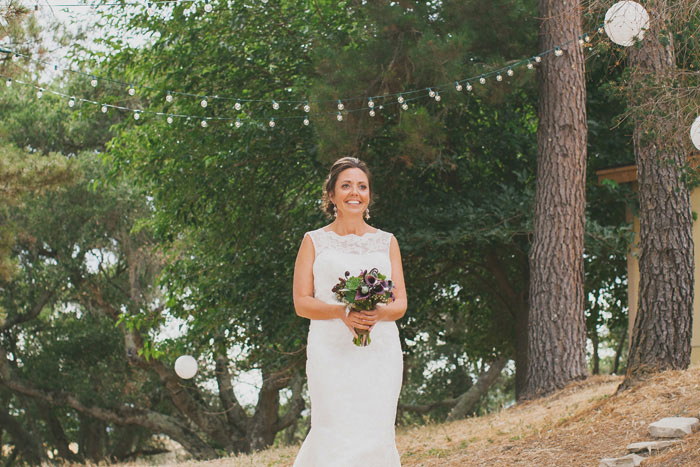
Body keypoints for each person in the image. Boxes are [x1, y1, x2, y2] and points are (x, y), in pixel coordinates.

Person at [292, 157, 407, 466]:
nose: (354, 192)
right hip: (330, 351)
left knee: (376, 431)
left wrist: (379, 313)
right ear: (331, 195)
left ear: (368, 194)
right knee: (333, 429)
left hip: (379, 351)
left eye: (362, 186)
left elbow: (400, 303)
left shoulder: (387, 242)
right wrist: (342, 311)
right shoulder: (313, 241)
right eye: (346, 186)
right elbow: (301, 302)